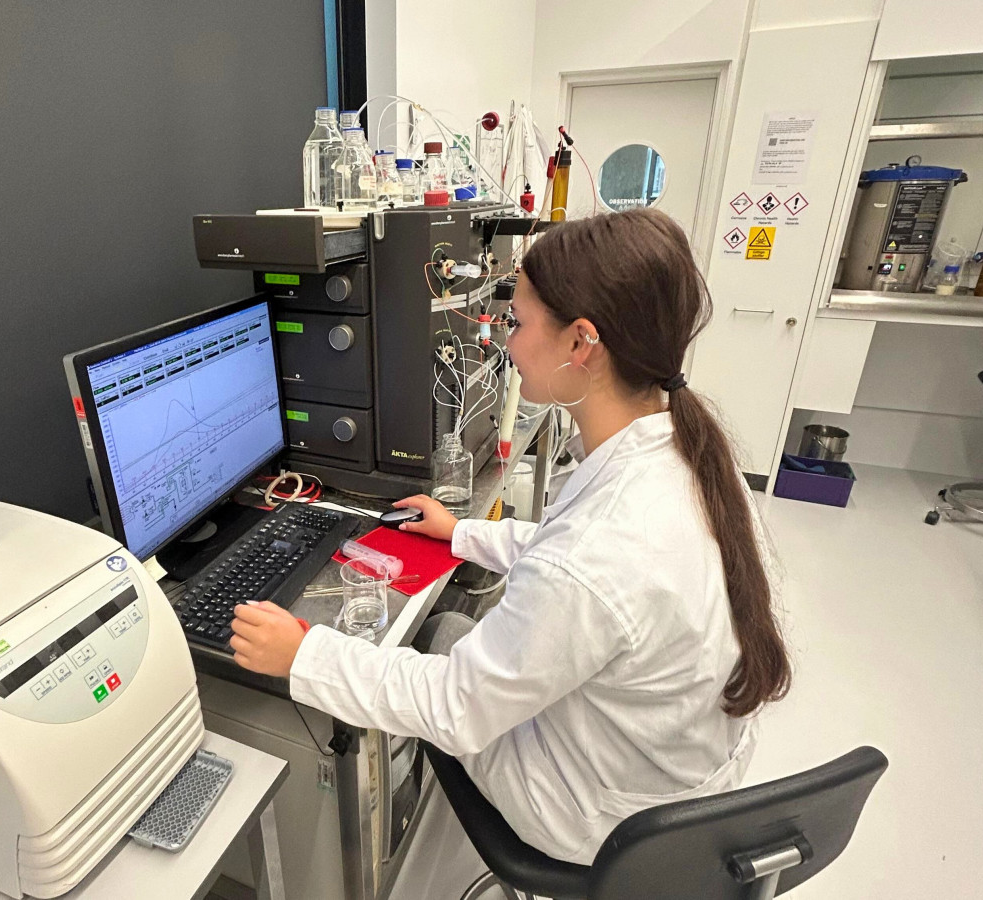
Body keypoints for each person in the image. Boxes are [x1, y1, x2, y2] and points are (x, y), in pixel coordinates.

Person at [228, 208, 791, 864]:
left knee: (442, 635)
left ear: (581, 343)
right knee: (458, 632)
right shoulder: (688, 455)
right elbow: (572, 560)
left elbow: (458, 704)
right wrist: (461, 533)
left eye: (517, 324)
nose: (506, 344)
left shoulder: (597, 550)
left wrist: (305, 654)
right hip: (682, 774)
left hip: (609, 823)